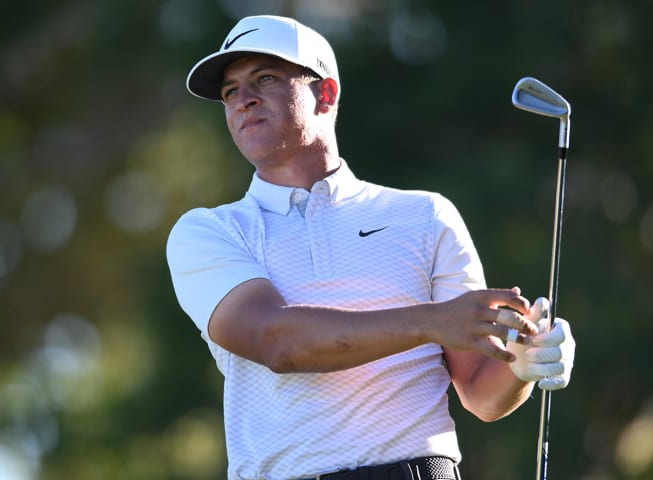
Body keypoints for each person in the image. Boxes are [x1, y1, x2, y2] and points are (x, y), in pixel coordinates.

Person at [166, 15, 576, 480]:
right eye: (230, 91)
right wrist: (431, 322)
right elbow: (276, 341)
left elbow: (482, 394)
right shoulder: (209, 231)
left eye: (265, 78)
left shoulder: (425, 216)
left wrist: (523, 365)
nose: (244, 100)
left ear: (326, 94)